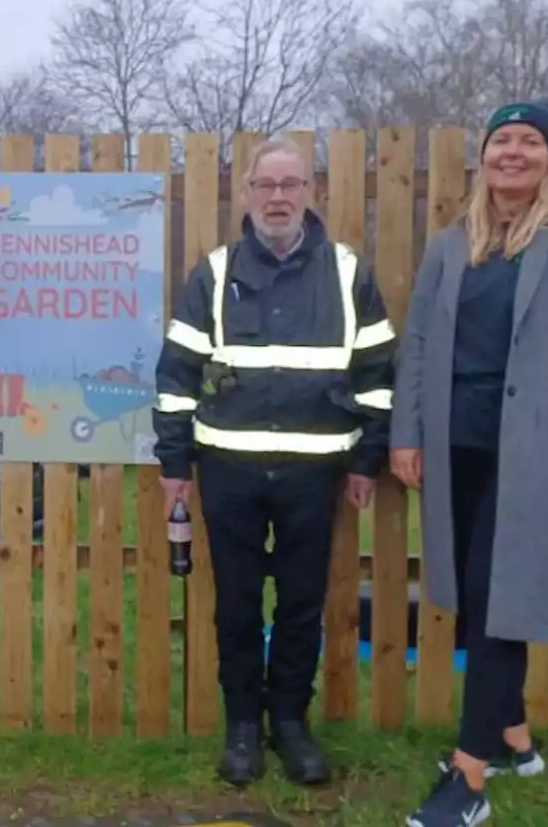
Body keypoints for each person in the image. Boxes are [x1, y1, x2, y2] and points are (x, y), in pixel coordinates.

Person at [390, 97, 548, 827]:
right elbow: (423, 344)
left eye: (531, 142)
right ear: (485, 156)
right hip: (455, 441)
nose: (514, 153)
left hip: (530, 449)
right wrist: (407, 431)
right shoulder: (450, 245)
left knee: (501, 598)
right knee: (478, 592)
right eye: (503, 141)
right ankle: (513, 736)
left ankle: (469, 778)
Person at [152, 135, 397, 787]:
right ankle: (241, 727)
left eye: (291, 185)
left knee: (300, 604)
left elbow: (378, 377)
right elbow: (176, 376)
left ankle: (290, 723)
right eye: (267, 186)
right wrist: (174, 464)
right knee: (235, 604)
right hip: (227, 472)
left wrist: (368, 460)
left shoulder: (349, 274)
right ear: (249, 193)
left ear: (310, 192)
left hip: (314, 475)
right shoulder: (214, 273)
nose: (279, 197)